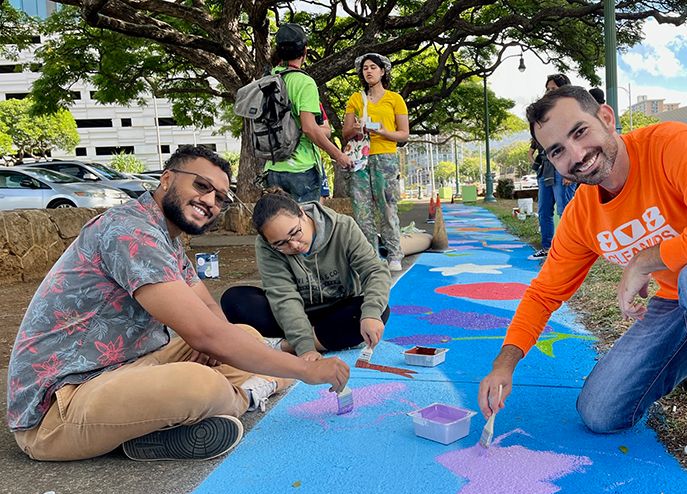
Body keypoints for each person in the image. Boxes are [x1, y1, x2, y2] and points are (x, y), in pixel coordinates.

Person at [478, 86, 687, 470]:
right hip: (682, 305)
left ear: (606, 117)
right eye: (557, 151)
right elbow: (544, 294)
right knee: (600, 412)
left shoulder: (671, 143)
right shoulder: (581, 216)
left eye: (580, 132)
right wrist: (504, 364)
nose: (576, 155)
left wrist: (646, 260)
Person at [6, 146, 350, 462]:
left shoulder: (165, 238)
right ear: (167, 178)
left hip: (128, 368)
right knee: (203, 384)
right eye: (202, 186)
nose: (211, 201)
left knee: (246, 336)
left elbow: (213, 317)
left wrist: (234, 348)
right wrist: (305, 370)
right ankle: (245, 397)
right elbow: (205, 335)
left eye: (220, 197)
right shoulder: (129, 231)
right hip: (61, 405)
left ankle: (160, 427)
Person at [220, 189, 392, 359]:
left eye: (295, 232)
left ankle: (282, 346)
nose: (294, 245)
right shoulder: (266, 247)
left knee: (377, 310)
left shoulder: (343, 227)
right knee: (235, 300)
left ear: (302, 213)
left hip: (338, 310)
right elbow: (284, 296)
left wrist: (371, 314)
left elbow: (374, 271)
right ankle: (320, 340)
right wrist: (305, 348)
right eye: (281, 243)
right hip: (294, 316)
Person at [265, 23, 351, 203]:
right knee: (306, 227)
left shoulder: (268, 80)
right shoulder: (304, 83)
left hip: (273, 168)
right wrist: (338, 155)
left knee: (280, 227)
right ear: (304, 51)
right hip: (301, 169)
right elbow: (309, 128)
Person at [342, 53, 410, 272]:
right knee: (362, 209)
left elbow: (404, 134)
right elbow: (345, 131)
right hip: (360, 158)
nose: (368, 71)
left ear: (382, 71)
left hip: (385, 157)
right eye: (364, 68)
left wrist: (381, 131)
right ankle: (371, 255)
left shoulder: (394, 99)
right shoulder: (355, 98)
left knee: (387, 206)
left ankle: (394, 253)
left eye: (373, 67)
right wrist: (356, 128)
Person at [527, 74, 577, 260]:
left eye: (553, 89)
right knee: (544, 210)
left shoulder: (572, 113)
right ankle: (547, 247)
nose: (549, 92)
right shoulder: (544, 114)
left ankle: (569, 250)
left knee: (565, 211)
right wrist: (535, 162)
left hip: (563, 167)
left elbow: (574, 143)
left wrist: (570, 172)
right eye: (547, 89)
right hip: (545, 169)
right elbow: (535, 144)